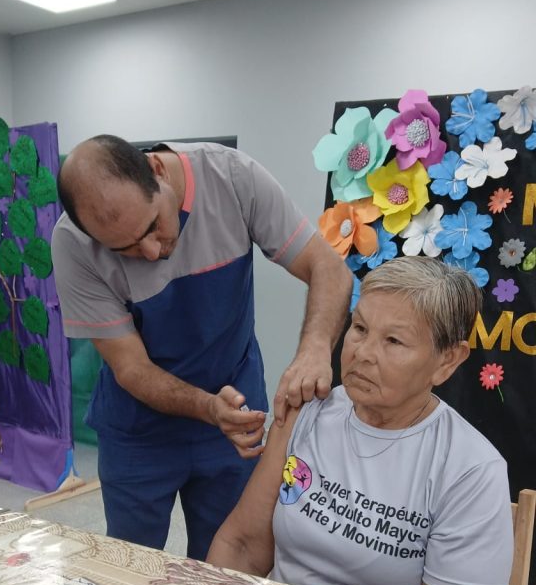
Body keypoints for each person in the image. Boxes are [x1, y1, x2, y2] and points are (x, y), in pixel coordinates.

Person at [52, 135, 351, 559]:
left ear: (157, 170)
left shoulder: (233, 177)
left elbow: (328, 267)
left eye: (152, 226)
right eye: (125, 249)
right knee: (131, 564)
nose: (151, 252)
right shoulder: (73, 244)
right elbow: (132, 368)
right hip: (139, 430)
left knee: (226, 563)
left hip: (236, 419)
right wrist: (209, 407)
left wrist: (315, 348)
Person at [207, 256, 514, 585]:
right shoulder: (306, 412)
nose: (363, 353)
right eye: (359, 328)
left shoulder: (470, 470)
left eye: (393, 341)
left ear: (447, 361)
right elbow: (242, 547)